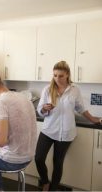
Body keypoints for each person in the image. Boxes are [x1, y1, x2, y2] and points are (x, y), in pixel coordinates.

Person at [35, 61, 101, 191]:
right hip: (48, 130)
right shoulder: (47, 89)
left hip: (66, 133)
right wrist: (44, 108)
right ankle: (45, 181)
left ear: (67, 75)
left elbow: (81, 108)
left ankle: (52, 188)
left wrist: (95, 120)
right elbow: (39, 111)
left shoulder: (74, 90)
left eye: (60, 76)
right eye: (55, 75)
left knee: (58, 163)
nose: (57, 79)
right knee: (38, 158)